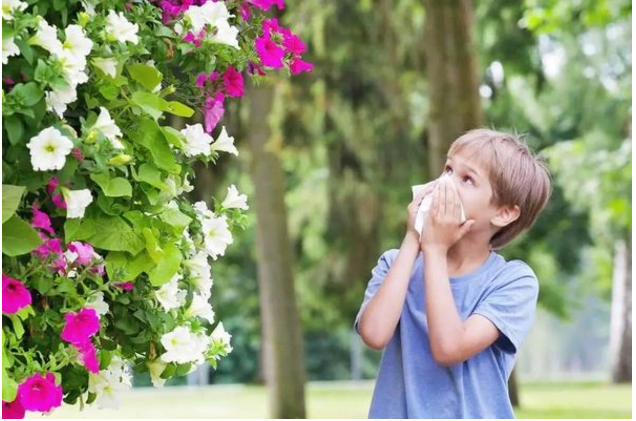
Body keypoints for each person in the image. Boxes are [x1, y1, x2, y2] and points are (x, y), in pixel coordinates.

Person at [355, 129, 552, 418]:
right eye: (448, 169)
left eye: (467, 179)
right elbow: (373, 334)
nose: (445, 183)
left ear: (504, 213)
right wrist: (414, 239)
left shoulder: (513, 281)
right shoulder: (396, 264)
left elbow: (449, 347)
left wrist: (434, 250)